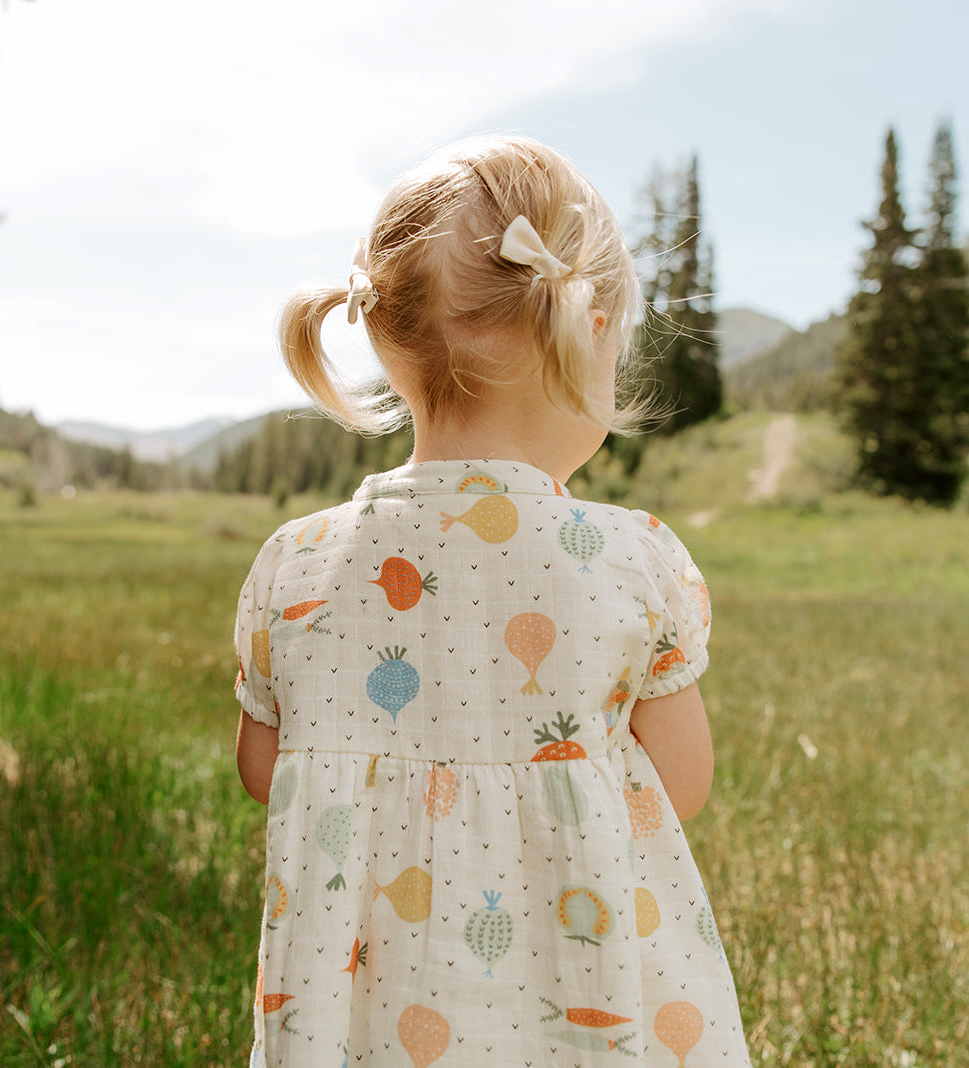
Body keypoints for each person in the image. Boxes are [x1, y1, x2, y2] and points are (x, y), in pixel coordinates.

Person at [233, 136, 749, 1066]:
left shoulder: (293, 563)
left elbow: (267, 772)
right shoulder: (633, 558)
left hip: (357, 1010)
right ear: (585, 329)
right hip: (584, 994)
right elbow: (682, 785)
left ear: (386, 339)